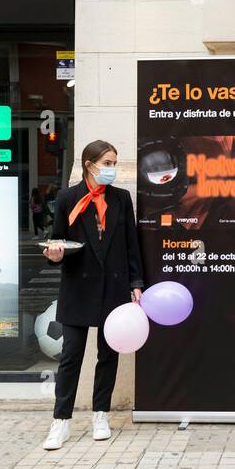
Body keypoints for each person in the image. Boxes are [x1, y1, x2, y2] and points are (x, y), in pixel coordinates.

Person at [40, 140, 145, 450]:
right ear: (89, 164)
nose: (112, 169)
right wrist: (55, 255)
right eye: (108, 163)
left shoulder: (121, 199)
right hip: (77, 287)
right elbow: (56, 241)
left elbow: (131, 245)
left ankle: (101, 414)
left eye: (114, 163)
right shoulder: (66, 198)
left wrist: (136, 281)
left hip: (113, 287)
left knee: (108, 354)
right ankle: (61, 421)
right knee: (71, 355)